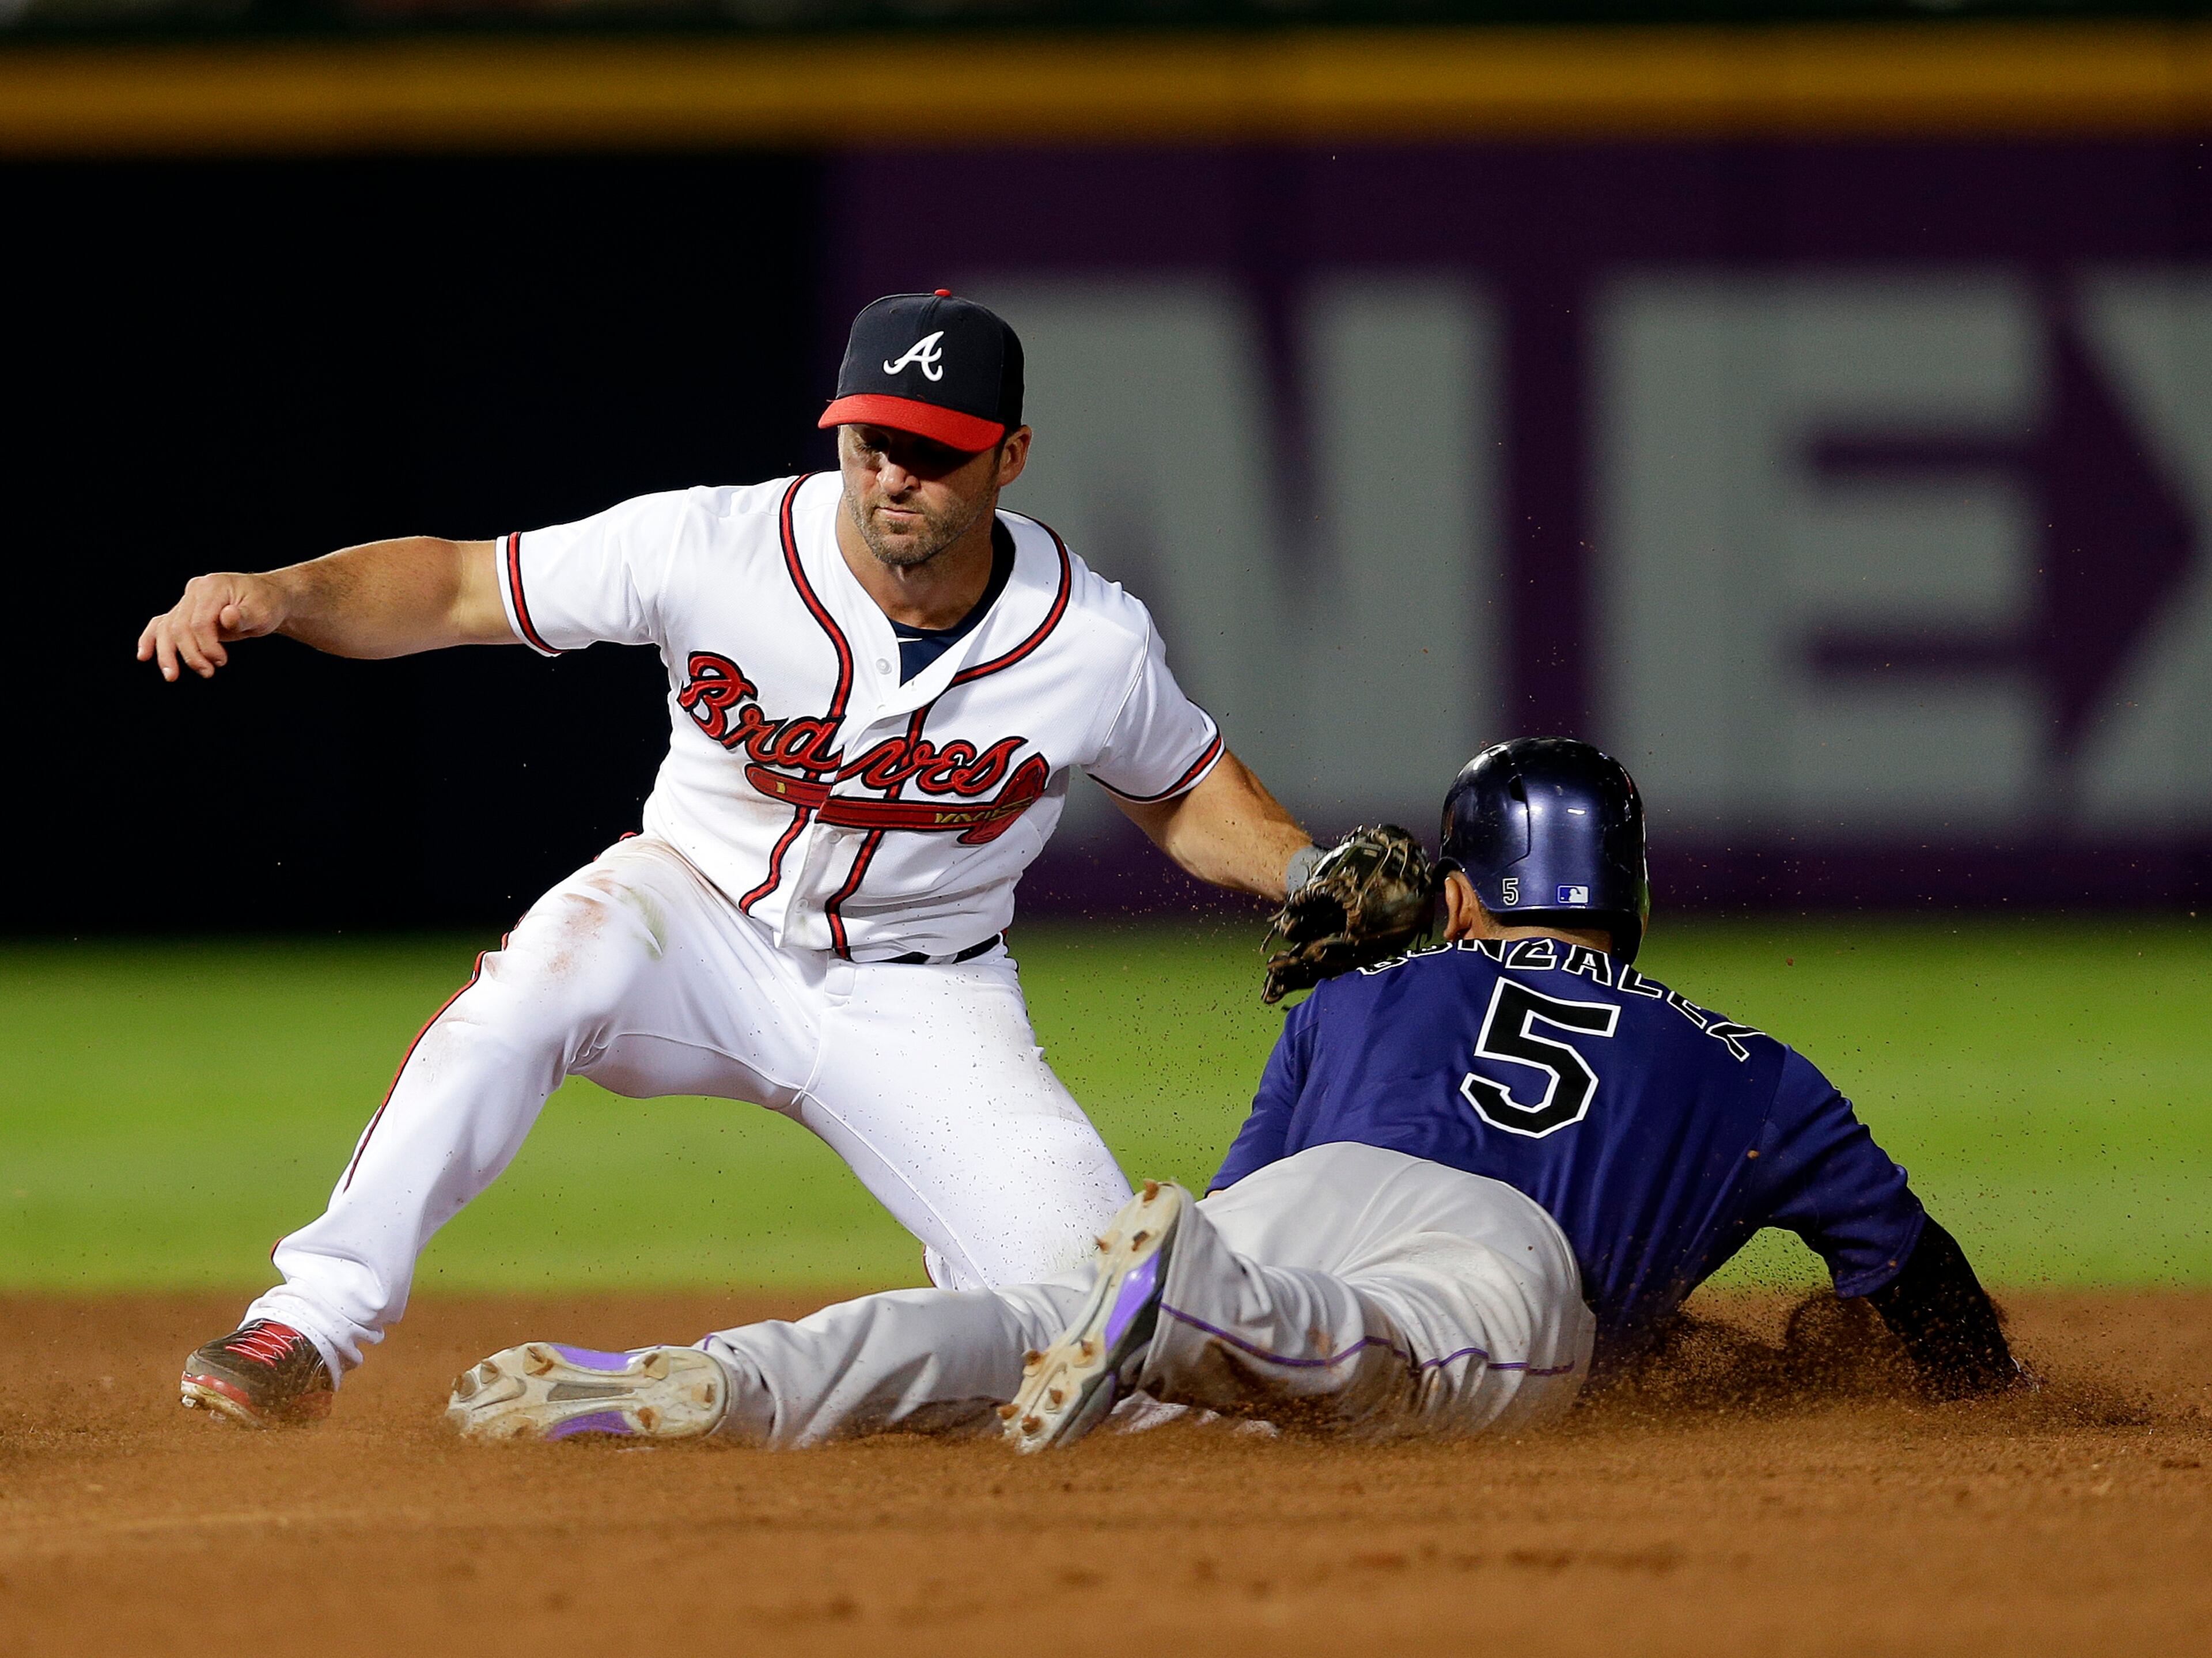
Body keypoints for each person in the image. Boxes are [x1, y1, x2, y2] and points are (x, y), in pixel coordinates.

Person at [139, 290, 1322, 1428]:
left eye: (934, 448)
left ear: (1011, 455)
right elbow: (455, 584)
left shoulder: (1089, 639)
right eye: (871, 440)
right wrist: (285, 591)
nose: (894, 473)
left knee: (1104, 1321)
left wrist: (1305, 874)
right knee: (543, 981)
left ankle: (847, 1395)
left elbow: (1185, 793)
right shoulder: (714, 544)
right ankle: (306, 1323)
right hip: (690, 915)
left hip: (927, 991)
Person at [441, 737, 2024, 1452]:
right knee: (1382, 1368)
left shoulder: (1371, 985)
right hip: (1486, 1270)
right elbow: (1919, 1279)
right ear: (1633, 898)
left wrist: (1188, 1265)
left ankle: (727, 1380)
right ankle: (1190, 1297)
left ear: (1463, 893)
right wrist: (1995, 1398)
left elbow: (1244, 1196)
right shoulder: (1756, 1065)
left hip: (1272, 1224)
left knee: (1058, 1324)